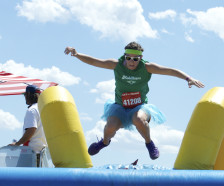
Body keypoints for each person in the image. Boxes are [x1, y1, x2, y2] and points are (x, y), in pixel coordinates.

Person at [64, 41, 204, 160]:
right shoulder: (117, 65)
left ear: (140, 58)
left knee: (138, 119)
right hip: (119, 107)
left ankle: (149, 143)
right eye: (129, 58)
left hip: (139, 107)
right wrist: (77, 54)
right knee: (110, 126)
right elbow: (95, 61)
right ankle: (104, 142)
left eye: (135, 59)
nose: (132, 62)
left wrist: (188, 78)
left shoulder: (147, 67)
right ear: (125, 56)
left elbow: (170, 71)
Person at [8, 85, 47, 166]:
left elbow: (31, 129)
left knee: (19, 178)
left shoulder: (32, 110)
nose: (24, 97)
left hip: (30, 153)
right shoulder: (43, 110)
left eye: (25, 95)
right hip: (41, 154)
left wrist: (17, 144)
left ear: (29, 94)